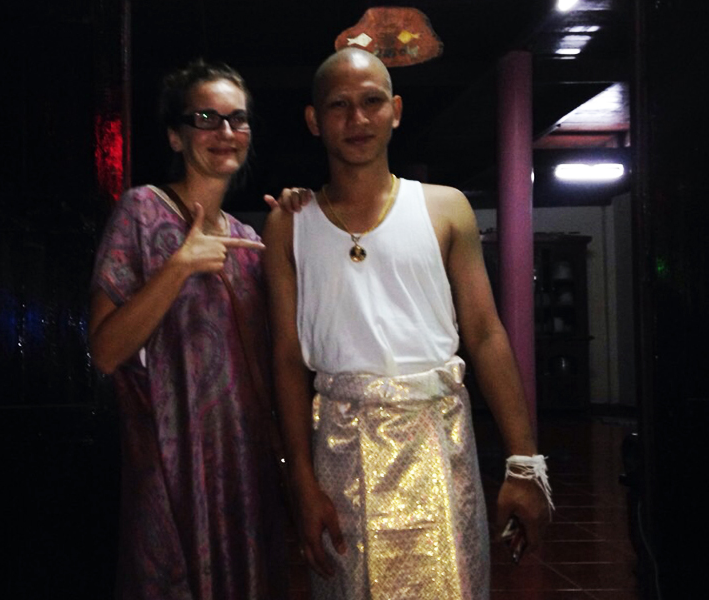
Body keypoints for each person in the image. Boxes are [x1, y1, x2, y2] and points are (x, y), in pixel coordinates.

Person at [263, 47, 552, 600]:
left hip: (438, 440)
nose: (357, 119)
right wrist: (299, 478)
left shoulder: (446, 208)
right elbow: (286, 357)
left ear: (395, 111)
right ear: (314, 120)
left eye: (372, 101)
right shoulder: (288, 225)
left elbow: (486, 335)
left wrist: (523, 462)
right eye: (339, 105)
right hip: (341, 447)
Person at [89, 58, 287, 600]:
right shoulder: (142, 211)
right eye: (206, 118)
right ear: (176, 136)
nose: (225, 131)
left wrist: (297, 231)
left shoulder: (249, 239)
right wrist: (178, 266)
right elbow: (104, 351)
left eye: (237, 119)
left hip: (245, 473)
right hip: (169, 471)